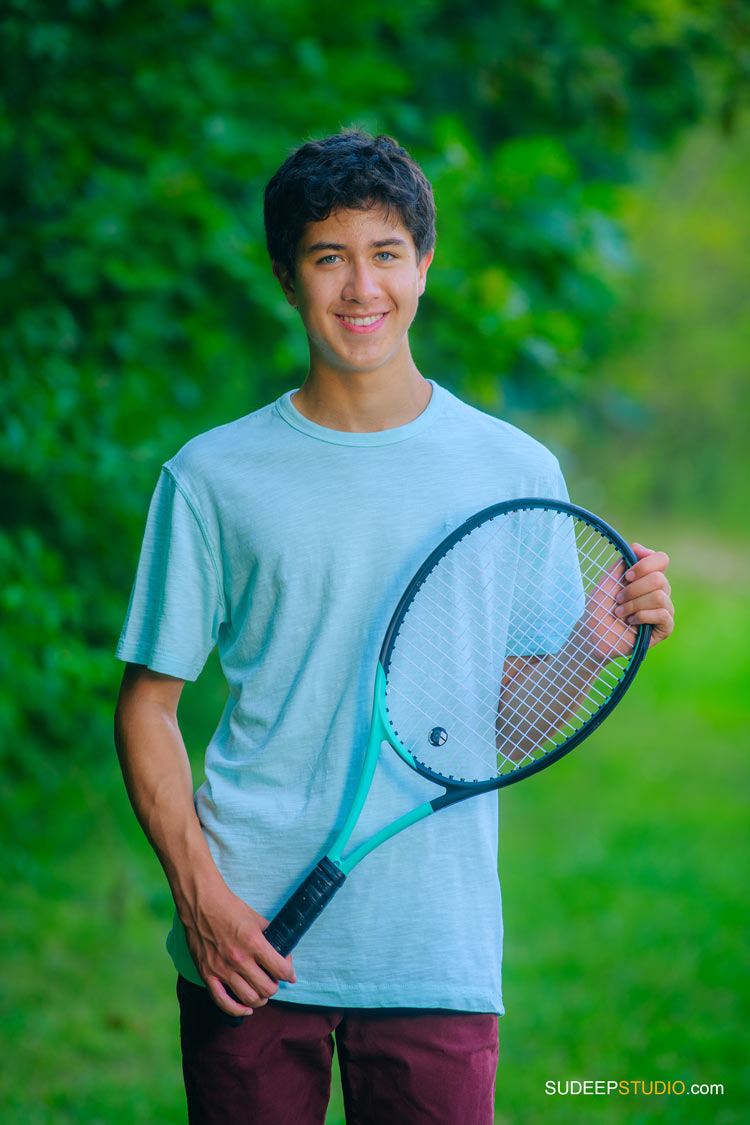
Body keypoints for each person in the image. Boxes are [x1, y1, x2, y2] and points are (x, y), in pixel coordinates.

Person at [114, 131, 675, 1125]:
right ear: (287, 277)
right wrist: (200, 897)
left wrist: (591, 644)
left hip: (436, 944)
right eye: (329, 257)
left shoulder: (515, 471)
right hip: (245, 939)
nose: (359, 287)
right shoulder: (211, 477)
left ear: (424, 264)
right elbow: (149, 708)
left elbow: (504, 729)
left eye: (383, 254)